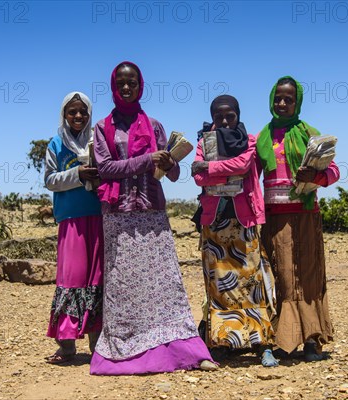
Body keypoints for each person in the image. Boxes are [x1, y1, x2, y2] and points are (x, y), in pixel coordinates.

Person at [90, 61, 217, 375]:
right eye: (121, 83)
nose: (127, 87)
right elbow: (105, 169)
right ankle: (124, 350)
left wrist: (171, 160)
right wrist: (148, 159)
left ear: (141, 85)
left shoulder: (156, 126)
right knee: (123, 287)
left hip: (152, 214)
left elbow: (170, 175)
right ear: (113, 86)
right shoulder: (103, 127)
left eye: (132, 82)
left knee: (163, 286)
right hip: (118, 216)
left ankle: (177, 347)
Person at [256, 76, 340, 362]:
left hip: (305, 214)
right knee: (281, 277)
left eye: (288, 99)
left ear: (297, 102)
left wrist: (315, 177)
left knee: (308, 276)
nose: (282, 103)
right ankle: (283, 339)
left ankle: (312, 341)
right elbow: (249, 175)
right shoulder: (262, 136)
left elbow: (334, 171)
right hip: (273, 218)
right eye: (278, 98)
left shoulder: (310, 133)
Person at [192, 95, 279, 368]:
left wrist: (211, 167)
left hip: (244, 221)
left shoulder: (250, 140)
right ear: (213, 118)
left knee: (252, 284)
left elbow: (242, 165)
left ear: (238, 115)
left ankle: (262, 344)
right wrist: (212, 171)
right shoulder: (203, 141)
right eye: (220, 117)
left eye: (230, 115)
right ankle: (222, 342)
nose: (226, 121)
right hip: (215, 222)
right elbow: (198, 176)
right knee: (219, 285)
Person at [45, 92, 103, 364]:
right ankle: (66, 344)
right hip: (71, 221)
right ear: (64, 115)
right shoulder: (56, 145)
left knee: (96, 278)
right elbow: (50, 180)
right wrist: (77, 175)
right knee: (71, 278)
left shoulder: (98, 142)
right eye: (72, 112)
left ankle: (98, 344)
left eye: (83, 112)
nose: (78, 116)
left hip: (98, 218)